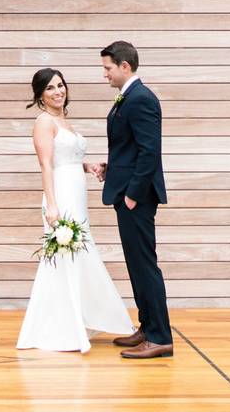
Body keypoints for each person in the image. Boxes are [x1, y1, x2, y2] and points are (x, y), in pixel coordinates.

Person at [17, 68, 135, 353]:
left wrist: (88, 166)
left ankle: (79, 318)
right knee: (63, 258)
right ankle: (61, 328)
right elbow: (46, 164)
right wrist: (52, 205)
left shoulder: (62, 120)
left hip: (76, 194)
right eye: (50, 88)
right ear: (40, 95)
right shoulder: (44, 122)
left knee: (80, 254)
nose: (58, 91)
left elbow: (65, 158)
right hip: (61, 197)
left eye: (60, 85)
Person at [95, 41, 174, 359]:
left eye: (107, 68)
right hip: (127, 191)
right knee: (136, 265)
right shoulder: (129, 98)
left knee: (144, 266)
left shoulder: (141, 99)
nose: (105, 75)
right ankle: (148, 325)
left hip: (136, 198)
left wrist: (132, 195)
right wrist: (111, 169)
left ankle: (160, 337)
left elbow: (149, 152)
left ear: (124, 66)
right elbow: (130, 149)